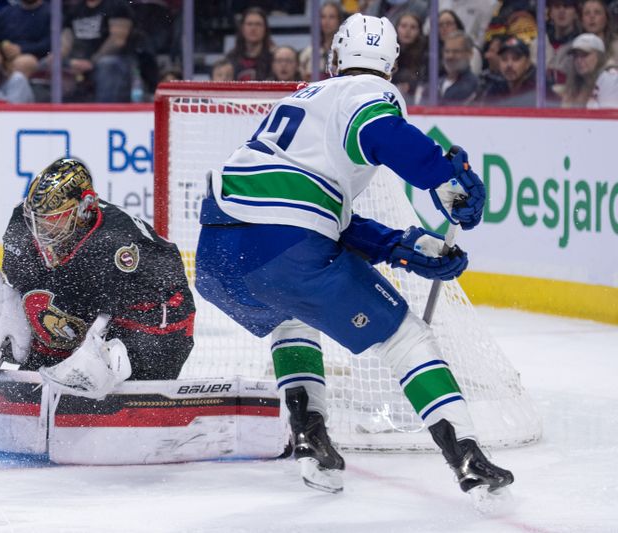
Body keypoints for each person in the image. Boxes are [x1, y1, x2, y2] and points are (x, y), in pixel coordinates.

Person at [194, 13, 513, 496]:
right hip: (283, 246)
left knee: (290, 317)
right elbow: (383, 134)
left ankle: (310, 435)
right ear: (391, 64)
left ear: (335, 56)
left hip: (218, 255)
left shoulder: (304, 98)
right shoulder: (366, 94)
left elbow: (310, 213)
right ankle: (466, 454)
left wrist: (397, 246)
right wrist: (443, 177)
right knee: (406, 336)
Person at [0, 158, 195, 393]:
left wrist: (104, 357)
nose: (41, 230)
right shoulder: (23, 223)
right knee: (46, 344)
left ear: (83, 209)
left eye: (54, 219)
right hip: (96, 299)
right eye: (37, 219)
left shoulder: (115, 243)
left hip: (159, 319)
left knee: (121, 372)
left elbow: (160, 289)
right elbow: (30, 286)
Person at [59, 0, 135, 103]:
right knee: (52, 63)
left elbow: (117, 41)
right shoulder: (75, 9)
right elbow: (65, 41)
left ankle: (106, 111)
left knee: (107, 64)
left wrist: (91, 62)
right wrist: (69, 61)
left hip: (113, 61)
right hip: (80, 62)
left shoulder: (117, 5)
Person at [562, 32, 618, 108]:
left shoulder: (610, 78)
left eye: (584, 55)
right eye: (576, 55)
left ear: (599, 56)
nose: (579, 60)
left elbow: (609, 116)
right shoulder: (574, 82)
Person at [298, 1, 344, 82]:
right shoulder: (308, 53)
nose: (327, 21)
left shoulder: (346, 51)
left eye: (332, 17)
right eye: (323, 17)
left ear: (339, 20)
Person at [225, 6, 274, 81]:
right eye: (249, 24)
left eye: (258, 24)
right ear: (242, 28)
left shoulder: (274, 58)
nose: (253, 28)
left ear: (265, 29)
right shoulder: (231, 59)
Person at [392, 11, 428, 104]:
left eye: (413, 27)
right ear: (396, 28)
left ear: (419, 31)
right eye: (404, 26)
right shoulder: (388, 52)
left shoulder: (426, 53)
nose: (407, 30)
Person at [438, 30, 478, 104]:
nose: (450, 56)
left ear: (470, 54)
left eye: (456, 51)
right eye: (447, 51)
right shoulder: (435, 84)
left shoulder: (475, 87)